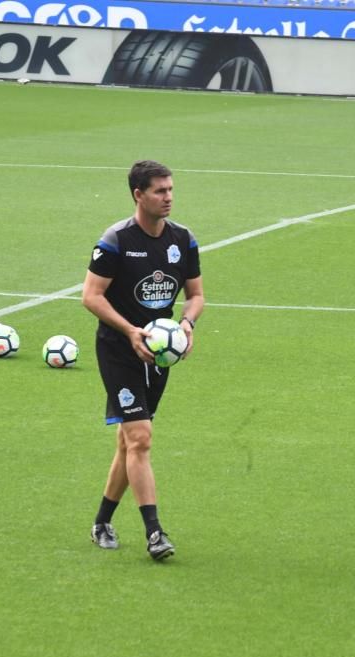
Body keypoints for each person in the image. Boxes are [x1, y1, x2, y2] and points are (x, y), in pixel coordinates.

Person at [82, 160, 204, 561]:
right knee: (141, 438)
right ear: (139, 195)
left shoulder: (182, 239)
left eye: (170, 189)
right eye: (159, 191)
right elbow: (91, 296)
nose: (168, 197)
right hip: (119, 350)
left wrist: (185, 324)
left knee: (128, 442)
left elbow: (196, 295)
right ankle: (155, 533)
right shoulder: (115, 240)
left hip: (160, 356)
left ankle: (101, 521)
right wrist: (131, 332)